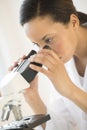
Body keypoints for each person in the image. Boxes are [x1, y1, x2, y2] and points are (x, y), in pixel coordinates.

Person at [10, 0, 87, 129]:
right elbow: (61, 126)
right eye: (37, 45)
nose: (45, 52)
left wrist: (70, 90)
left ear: (73, 22)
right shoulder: (64, 62)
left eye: (49, 40)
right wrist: (32, 95)